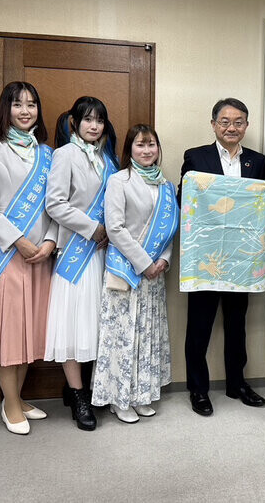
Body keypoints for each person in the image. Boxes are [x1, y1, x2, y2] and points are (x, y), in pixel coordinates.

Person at [0, 81, 57, 435]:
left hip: (41, 258)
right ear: (6, 109)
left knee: (29, 332)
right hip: (6, 256)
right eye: (18, 104)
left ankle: (17, 397)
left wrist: (50, 241)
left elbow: (55, 205)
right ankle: (9, 403)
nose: (25, 111)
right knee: (8, 333)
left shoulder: (49, 154)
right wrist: (17, 240)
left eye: (32, 104)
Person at [180, 98, 265, 416]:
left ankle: (237, 384)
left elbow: (260, 209)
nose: (232, 127)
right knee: (199, 326)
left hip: (241, 260)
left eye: (239, 121)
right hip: (205, 257)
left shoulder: (257, 162)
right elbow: (185, 201)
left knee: (236, 325)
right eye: (225, 121)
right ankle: (198, 390)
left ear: (247, 125)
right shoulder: (196, 156)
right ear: (214, 123)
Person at [92, 124, 178, 422]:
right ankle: (119, 399)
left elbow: (170, 229)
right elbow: (114, 227)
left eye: (152, 144)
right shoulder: (119, 180)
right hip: (126, 271)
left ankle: (141, 394)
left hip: (155, 275)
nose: (147, 150)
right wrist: (145, 263)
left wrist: (164, 259)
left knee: (146, 335)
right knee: (122, 336)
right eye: (140, 145)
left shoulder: (166, 186)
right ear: (129, 149)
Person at [45, 96, 118, 431]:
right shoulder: (64, 155)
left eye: (99, 120)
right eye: (87, 119)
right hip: (77, 252)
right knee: (74, 324)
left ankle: (90, 387)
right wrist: (92, 229)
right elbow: (55, 204)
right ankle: (77, 395)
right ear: (73, 122)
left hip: (105, 253)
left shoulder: (108, 158)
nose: (93, 126)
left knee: (98, 323)